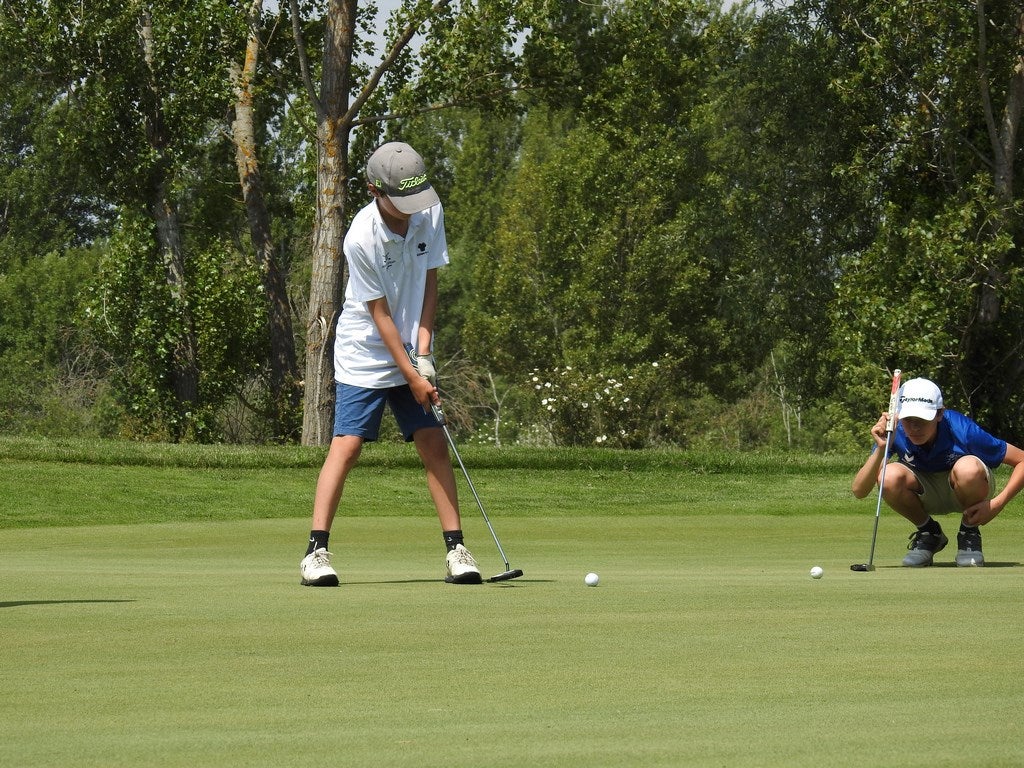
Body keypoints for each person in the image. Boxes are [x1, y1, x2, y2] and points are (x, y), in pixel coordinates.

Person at [299, 141, 481, 586]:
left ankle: (457, 550)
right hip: (365, 350)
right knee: (348, 446)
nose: (411, 209)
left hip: (411, 348)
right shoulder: (360, 238)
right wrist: (411, 375)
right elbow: (379, 315)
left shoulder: (429, 210)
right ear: (373, 191)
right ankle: (315, 553)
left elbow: (430, 283)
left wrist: (424, 353)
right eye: (402, 200)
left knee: (433, 443)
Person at [852, 377, 1024, 567]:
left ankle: (969, 533)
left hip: (965, 487)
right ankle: (929, 533)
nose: (915, 427)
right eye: (908, 420)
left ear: (939, 413)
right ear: (898, 416)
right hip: (924, 491)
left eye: (922, 420)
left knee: (968, 468)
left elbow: (1022, 460)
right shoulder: (895, 431)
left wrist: (997, 504)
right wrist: (881, 448)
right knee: (889, 475)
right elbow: (859, 491)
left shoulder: (962, 429)